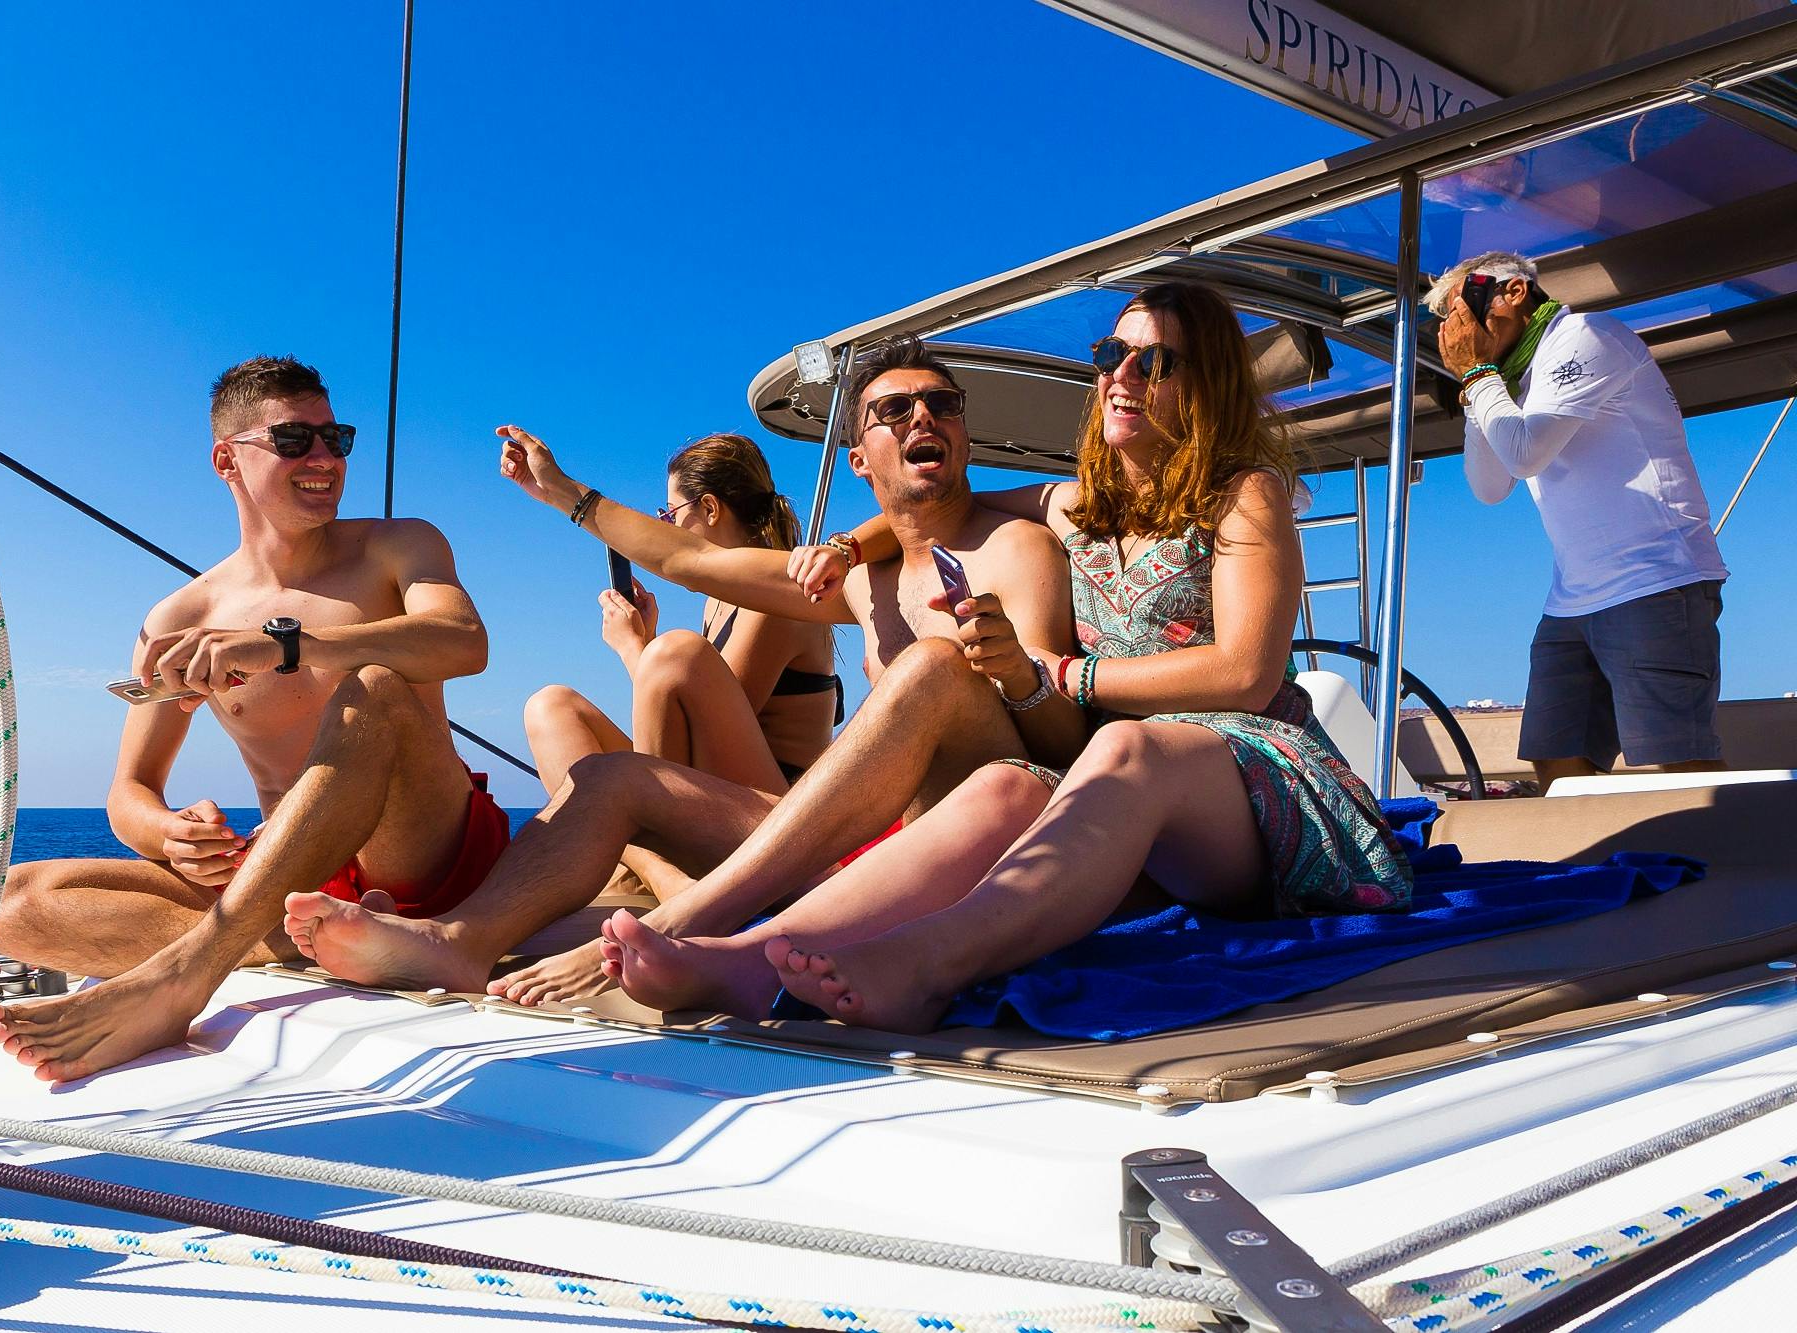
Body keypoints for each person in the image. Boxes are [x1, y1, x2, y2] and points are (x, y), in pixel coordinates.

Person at [597, 283, 1414, 1031]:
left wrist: (1064, 674)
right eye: (1109, 355)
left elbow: (1245, 672)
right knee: (1001, 788)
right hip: (1124, 791)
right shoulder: (1077, 505)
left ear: (1205, 387)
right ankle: (746, 958)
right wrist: (848, 542)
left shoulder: (1244, 493)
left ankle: (927, 962)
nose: (1119, 375)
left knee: (1129, 745)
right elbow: (947, 504)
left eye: (1151, 360)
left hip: (1251, 779)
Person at [282, 336, 1084, 1002]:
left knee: (934, 666)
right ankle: (460, 941)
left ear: (965, 436)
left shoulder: (1015, 548)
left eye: (944, 404)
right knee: (608, 779)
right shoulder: (862, 578)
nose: (925, 416)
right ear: (860, 454)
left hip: (987, 838)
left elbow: (1065, 747)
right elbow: (689, 559)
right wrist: (563, 492)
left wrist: (1017, 673)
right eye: (896, 409)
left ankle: (679, 918)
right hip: (865, 843)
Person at [0, 355, 504, 1081]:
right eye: (294, 440)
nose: (324, 458)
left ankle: (189, 973)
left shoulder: (399, 544)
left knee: (376, 687)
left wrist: (288, 643)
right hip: (290, 881)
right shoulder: (184, 617)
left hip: (426, 847)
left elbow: (464, 642)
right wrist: (169, 832)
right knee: (14, 902)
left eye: (336, 438)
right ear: (227, 458)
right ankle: (321, 938)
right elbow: (129, 792)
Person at [1431, 251, 1728, 791]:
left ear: (1514, 292)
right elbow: (1490, 488)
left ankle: (1732, 865)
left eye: (1462, 308)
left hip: (1656, 581)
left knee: (1677, 765)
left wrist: (1478, 376)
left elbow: (1524, 455)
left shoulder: (1588, 335)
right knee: (1556, 759)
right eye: (1450, 320)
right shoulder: (1509, 381)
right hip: (1572, 599)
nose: (1458, 329)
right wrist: (1480, 386)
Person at [521, 433, 838, 895]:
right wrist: (645, 648)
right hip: (720, 799)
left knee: (677, 652)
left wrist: (638, 649)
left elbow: (704, 723)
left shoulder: (771, 596)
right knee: (552, 707)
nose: (665, 526)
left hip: (779, 824)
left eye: (669, 515)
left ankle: (647, 869)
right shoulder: (721, 602)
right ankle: (654, 870)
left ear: (709, 509)